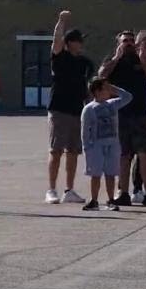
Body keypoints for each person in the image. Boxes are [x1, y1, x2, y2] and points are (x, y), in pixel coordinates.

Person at [99, 29, 146, 208]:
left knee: (145, 154)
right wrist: (116, 58)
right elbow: (102, 75)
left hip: (140, 113)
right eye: (124, 40)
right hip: (120, 114)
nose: (127, 43)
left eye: (130, 40)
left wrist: (144, 57)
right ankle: (123, 193)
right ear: (118, 43)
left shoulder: (140, 59)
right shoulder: (113, 60)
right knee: (123, 155)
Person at [47, 11, 92, 205]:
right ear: (70, 42)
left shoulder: (85, 62)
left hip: (77, 111)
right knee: (56, 150)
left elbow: (89, 86)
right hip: (59, 109)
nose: (81, 43)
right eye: (78, 40)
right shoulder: (60, 56)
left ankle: (69, 190)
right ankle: (51, 190)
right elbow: (56, 40)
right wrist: (61, 21)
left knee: (73, 151)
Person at [79, 78, 133, 211]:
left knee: (111, 173)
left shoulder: (112, 104)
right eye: (105, 88)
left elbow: (128, 97)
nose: (108, 91)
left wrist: (113, 88)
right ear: (97, 92)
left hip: (113, 144)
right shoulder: (89, 109)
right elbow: (84, 130)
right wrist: (87, 147)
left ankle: (110, 200)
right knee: (95, 174)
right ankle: (94, 200)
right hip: (96, 145)